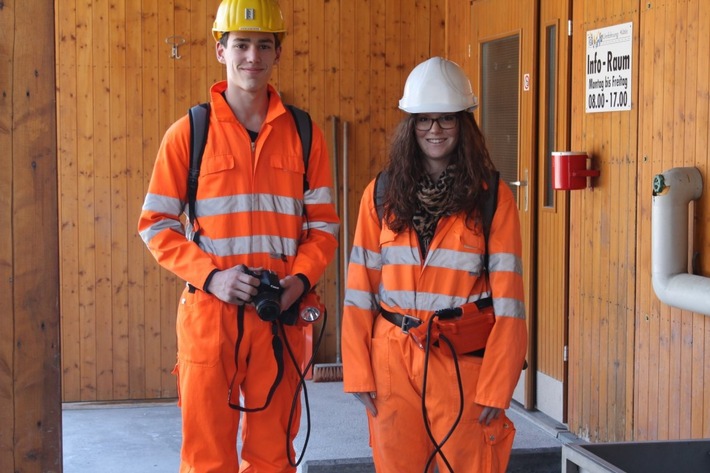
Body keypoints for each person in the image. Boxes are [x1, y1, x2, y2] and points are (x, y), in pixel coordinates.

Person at [137, 0, 339, 471]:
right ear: (220, 49)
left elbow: (325, 228)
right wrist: (212, 278)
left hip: (279, 314)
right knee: (208, 457)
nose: (252, 56)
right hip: (211, 317)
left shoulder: (305, 134)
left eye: (263, 45)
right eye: (242, 45)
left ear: (277, 53)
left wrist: (300, 281)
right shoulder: (190, 133)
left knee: (273, 456)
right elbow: (156, 225)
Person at [341, 56, 527, 473]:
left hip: (462, 363)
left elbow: (510, 304)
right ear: (411, 125)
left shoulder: (491, 198)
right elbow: (359, 291)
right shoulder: (381, 194)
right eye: (424, 120)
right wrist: (358, 372)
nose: (435, 130)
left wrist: (498, 386)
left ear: (464, 125)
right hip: (392, 361)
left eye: (446, 119)